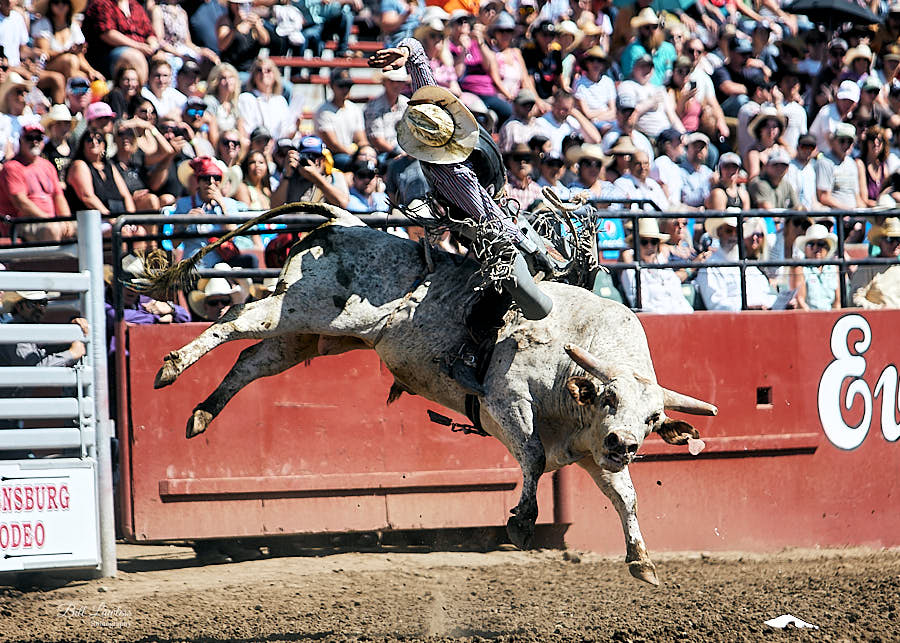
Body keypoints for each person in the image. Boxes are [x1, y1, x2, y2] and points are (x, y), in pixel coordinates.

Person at [171, 156, 253, 268]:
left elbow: (232, 236)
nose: (211, 182)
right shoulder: (184, 204)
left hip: (222, 268)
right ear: (198, 181)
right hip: (193, 268)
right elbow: (175, 243)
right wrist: (186, 222)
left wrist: (222, 206)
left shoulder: (229, 204)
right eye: (205, 178)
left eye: (216, 177)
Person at [0, 123, 73, 242]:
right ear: (20, 141)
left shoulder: (48, 166)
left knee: (84, 227)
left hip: (49, 221)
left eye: (38, 138)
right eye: (29, 138)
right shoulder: (12, 167)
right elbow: (21, 203)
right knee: (52, 229)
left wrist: (66, 221)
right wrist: (49, 220)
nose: (35, 142)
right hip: (21, 224)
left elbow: (58, 196)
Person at [696, 216, 777, 311]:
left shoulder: (750, 267)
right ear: (719, 232)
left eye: (737, 231)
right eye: (729, 231)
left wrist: (780, 302)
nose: (734, 236)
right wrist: (746, 307)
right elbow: (715, 305)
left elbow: (766, 294)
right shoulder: (710, 267)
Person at [619, 218, 693, 313]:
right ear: (635, 244)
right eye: (644, 242)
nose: (650, 247)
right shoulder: (632, 271)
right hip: (657, 321)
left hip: (681, 317)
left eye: (654, 242)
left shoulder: (663, 265)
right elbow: (642, 306)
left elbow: (680, 298)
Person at [30, 0, 104, 94]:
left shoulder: (73, 26)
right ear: (50, 5)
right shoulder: (42, 24)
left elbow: (80, 56)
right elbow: (44, 55)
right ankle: (74, 96)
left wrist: (91, 71)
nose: (60, 5)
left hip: (72, 67)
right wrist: (65, 52)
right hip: (44, 68)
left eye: (64, 2)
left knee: (92, 77)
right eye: (56, 2)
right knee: (70, 60)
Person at [0, 291, 88, 366]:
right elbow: (31, 371)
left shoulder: (30, 329)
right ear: (18, 307)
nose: (39, 307)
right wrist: (71, 354)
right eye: (33, 303)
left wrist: (73, 329)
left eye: (43, 302)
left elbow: (48, 348)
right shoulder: (15, 331)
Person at [81, 0, 159, 82]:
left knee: (160, 58)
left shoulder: (135, 5)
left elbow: (149, 32)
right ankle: (140, 92)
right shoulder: (101, 3)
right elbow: (107, 33)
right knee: (134, 56)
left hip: (142, 48)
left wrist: (152, 44)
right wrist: (138, 46)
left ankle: (157, 94)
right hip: (110, 55)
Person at [65, 128, 135, 216]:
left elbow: (126, 195)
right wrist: (112, 219)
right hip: (93, 218)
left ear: (104, 145)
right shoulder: (79, 165)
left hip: (117, 216)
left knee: (140, 230)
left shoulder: (110, 166)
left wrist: (130, 219)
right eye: (89, 140)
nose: (94, 142)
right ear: (83, 146)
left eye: (98, 139)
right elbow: (88, 197)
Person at [271, 135, 349, 209]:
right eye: (306, 156)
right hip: (297, 223)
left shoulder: (334, 176)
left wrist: (317, 179)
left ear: (323, 159)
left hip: (325, 223)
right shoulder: (291, 177)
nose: (310, 160)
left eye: (315, 156)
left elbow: (343, 203)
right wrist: (286, 175)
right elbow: (274, 206)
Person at [314, 70, 368, 172]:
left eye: (348, 85)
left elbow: (361, 139)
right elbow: (333, 145)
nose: (345, 89)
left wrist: (366, 152)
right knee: (348, 162)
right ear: (331, 86)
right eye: (341, 85)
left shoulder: (354, 109)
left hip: (349, 154)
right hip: (330, 155)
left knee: (373, 161)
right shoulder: (323, 111)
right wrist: (356, 155)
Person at [238, 57, 292, 141]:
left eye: (268, 70)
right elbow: (246, 130)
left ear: (274, 75)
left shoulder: (280, 101)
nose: (263, 73)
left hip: (277, 147)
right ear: (253, 76)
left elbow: (285, 131)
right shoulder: (246, 98)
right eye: (259, 70)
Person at [850, 218, 900, 307]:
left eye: (899, 239)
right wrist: (881, 311)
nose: (896, 244)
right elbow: (856, 299)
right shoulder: (867, 267)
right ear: (880, 241)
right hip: (878, 319)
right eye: (890, 239)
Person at [789, 223, 840, 311]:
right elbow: (801, 302)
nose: (816, 248)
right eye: (811, 244)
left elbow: (838, 302)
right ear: (805, 248)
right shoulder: (800, 269)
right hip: (809, 317)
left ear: (827, 247)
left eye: (820, 243)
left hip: (831, 317)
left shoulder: (834, 268)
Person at [816, 123, 865, 211]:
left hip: (853, 215)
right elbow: (824, 197)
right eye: (842, 140)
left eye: (849, 141)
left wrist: (864, 212)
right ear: (833, 141)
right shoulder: (825, 162)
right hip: (835, 216)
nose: (846, 145)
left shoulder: (852, 163)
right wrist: (848, 211)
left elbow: (857, 197)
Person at [363, 68, 409, 157]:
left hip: (405, 151)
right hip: (384, 153)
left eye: (399, 81)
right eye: (392, 81)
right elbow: (377, 140)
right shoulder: (373, 106)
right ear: (384, 82)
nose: (396, 85)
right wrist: (399, 153)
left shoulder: (407, 103)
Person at [216, 0, 269, 73]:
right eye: (236, 4)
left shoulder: (253, 20)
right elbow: (221, 45)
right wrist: (234, 28)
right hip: (230, 70)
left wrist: (257, 26)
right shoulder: (225, 21)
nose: (239, 7)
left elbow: (265, 40)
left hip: (251, 71)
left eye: (242, 4)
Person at [808, 80, 859, 151]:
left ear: (855, 104)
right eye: (844, 100)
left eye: (850, 101)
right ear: (837, 98)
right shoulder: (828, 112)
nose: (847, 104)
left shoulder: (848, 115)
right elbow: (831, 141)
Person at [204, 62, 247, 143]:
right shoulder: (210, 102)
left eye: (231, 77)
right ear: (215, 81)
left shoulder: (235, 104)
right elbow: (213, 137)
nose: (227, 81)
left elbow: (242, 135)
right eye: (223, 78)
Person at [504, 142, 542, 211]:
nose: (522, 162)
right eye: (517, 158)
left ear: (532, 163)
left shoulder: (537, 190)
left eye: (526, 158)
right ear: (509, 162)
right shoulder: (504, 188)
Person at [679, 132, 713, 208]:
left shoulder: (708, 172)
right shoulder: (680, 172)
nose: (699, 150)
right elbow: (687, 199)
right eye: (695, 146)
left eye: (702, 147)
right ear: (687, 149)